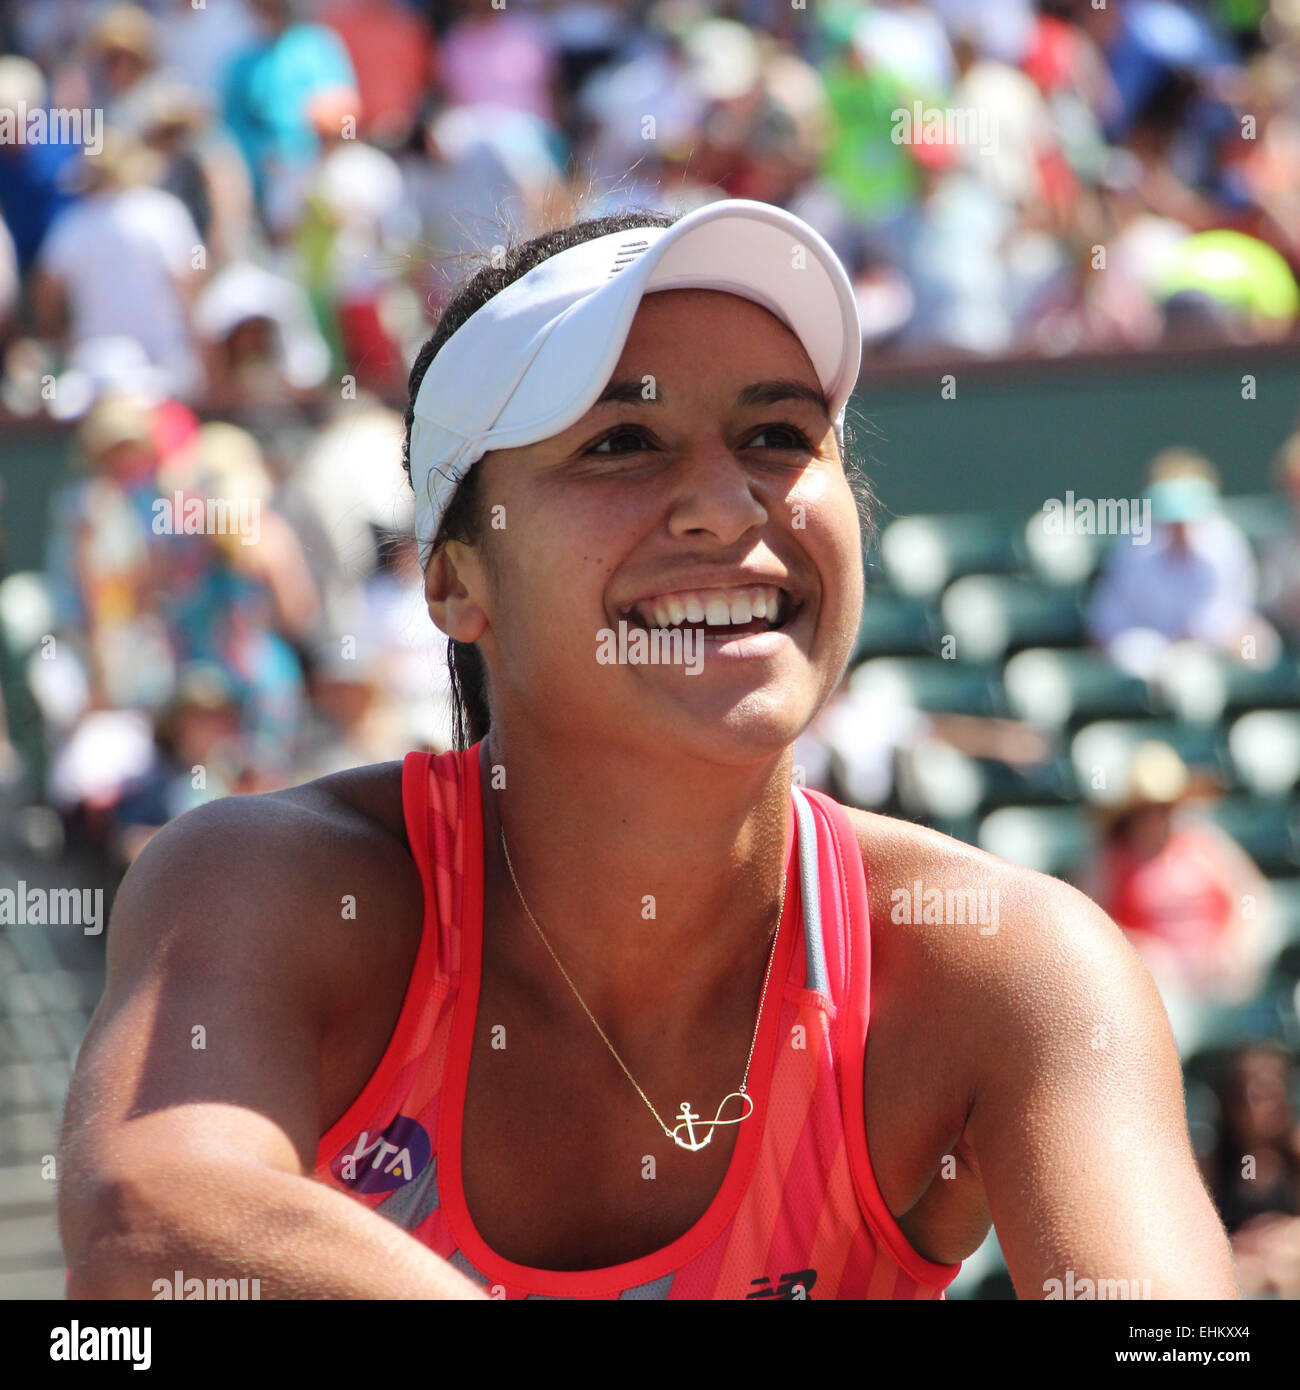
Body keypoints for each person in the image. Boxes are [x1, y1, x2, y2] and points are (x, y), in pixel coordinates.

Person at [59, 199, 1237, 1300]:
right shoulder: (271, 880)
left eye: (779, 433)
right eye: (623, 441)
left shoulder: (1009, 963)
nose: (727, 507)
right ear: (454, 575)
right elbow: (147, 1219)